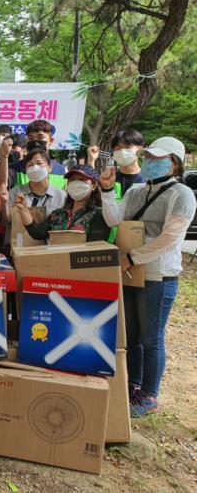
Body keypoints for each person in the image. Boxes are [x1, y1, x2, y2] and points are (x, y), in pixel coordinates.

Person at [100, 137, 196, 417]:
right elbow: (113, 219)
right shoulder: (137, 190)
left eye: (158, 158)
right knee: (132, 336)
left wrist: (132, 258)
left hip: (158, 275)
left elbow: (170, 238)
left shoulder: (182, 194)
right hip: (131, 273)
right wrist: (107, 190)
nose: (151, 162)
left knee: (152, 339)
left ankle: (150, 395)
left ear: (174, 163)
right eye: (149, 157)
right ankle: (133, 386)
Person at [15, 164, 109, 242]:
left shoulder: (99, 214)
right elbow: (37, 233)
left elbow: (95, 247)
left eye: (81, 180)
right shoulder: (58, 214)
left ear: (94, 186)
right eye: (72, 180)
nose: (76, 183)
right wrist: (23, 209)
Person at [1, 147, 67, 225]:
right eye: (30, 165)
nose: (35, 167)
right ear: (26, 170)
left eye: (39, 163)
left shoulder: (62, 196)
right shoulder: (15, 192)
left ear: (49, 168)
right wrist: (4, 203)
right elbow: (6, 221)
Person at [88, 129, 144, 197]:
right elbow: (94, 188)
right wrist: (91, 160)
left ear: (140, 149)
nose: (122, 151)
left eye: (127, 147)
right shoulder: (110, 178)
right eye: (118, 148)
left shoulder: (147, 179)